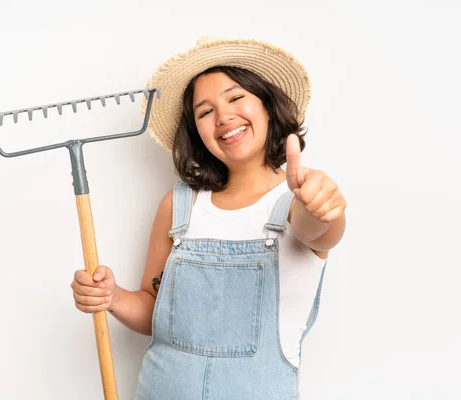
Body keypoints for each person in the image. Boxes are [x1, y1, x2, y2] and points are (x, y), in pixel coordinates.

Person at [71, 37, 347, 399]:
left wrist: (321, 207)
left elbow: (319, 232)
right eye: (205, 112)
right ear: (197, 132)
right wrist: (111, 296)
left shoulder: (296, 203)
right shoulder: (179, 206)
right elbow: (155, 311)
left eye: (236, 98)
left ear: (267, 106)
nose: (223, 117)